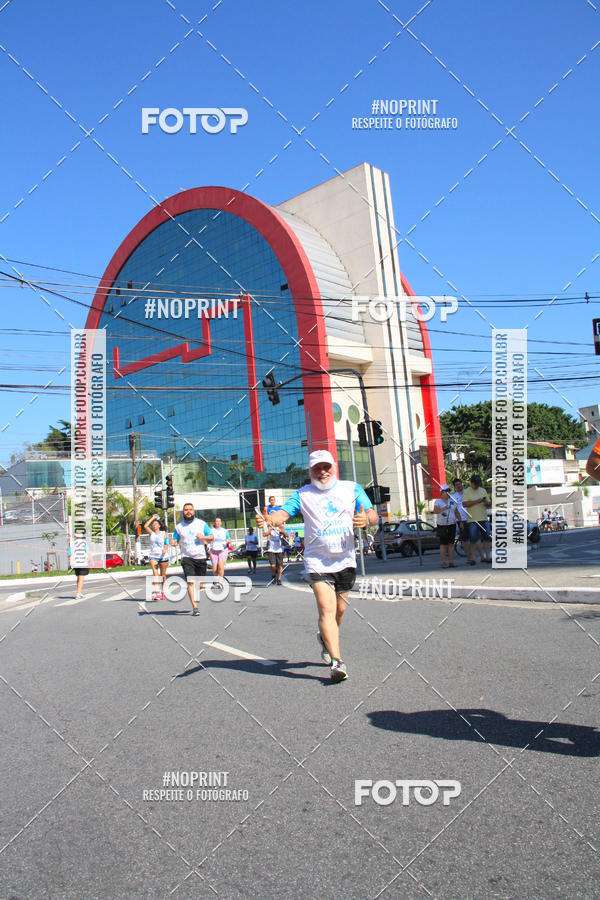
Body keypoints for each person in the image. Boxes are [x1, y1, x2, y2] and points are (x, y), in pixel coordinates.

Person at [257, 449, 378, 683]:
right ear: (310, 471)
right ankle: (337, 662)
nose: (322, 472)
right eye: (317, 468)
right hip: (317, 561)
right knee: (326, 607)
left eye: (326, 467)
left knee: (340, 610)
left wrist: (367, 519)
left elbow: (372, 514)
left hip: (345, 559)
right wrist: (269, 519)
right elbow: (282, 515)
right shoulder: (303, 494)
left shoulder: (351, 488)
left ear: (334, 467)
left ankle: (324, 638)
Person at [171, 503, 213, 616]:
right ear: (183, 512)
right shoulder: (179, 527)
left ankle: (197, 589)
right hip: (187, 557)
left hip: (200, 557)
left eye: (190, 509)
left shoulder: (201, 524)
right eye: (186, 510)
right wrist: (174, 542)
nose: (188, 511)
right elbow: (175, 539)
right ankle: (195, 607)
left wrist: (202, 537)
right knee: (190, 582)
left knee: (199, 584)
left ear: (194, 511)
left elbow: (211, 537)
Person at [461, 474, 492, 564]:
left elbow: (489, 503)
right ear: (471, 483)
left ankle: (488, 557)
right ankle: (473, 558)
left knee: (486, 538)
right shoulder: (467, 491)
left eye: (478, 484)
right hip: (472, 520)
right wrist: (477, 501)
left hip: (483, 518)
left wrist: (485, 502)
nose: (477, 486)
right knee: (473, 539)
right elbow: (464, 504)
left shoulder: (483, 490)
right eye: (475, 484)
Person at [144, 514, 170, 600]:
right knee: (155, 574)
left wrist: (165, 549)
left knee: (163, 576)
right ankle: (156, 593)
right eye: (153, 524)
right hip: (153, 557)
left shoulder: (163, 533)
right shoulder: (151, 533)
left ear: (159, 526)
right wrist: (152, 518)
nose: (154, 525)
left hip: (163, 557)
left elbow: (166, 543)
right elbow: (145, 526)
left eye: (156, 524)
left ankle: (163, 592)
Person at [434, 485, 457, 568]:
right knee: (443, 544)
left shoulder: (452, 501)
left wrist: (460, 521)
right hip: (442, 525)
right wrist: (444, 508)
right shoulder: (438, 501)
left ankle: (451, 561)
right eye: (446, 491)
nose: (448, 493)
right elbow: (435, 511)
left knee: (451, 543)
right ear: (442, 492)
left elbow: (456, 511)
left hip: (452, 523)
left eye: (449, 491)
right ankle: (444, 562)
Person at [67, 530, 88, 599]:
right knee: (81, 578)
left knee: (78, 577)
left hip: (75, 563)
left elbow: (69, 554)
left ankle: (79, 592)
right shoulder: (84, 543)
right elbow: (87, 552)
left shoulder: (72, 543)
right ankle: (78, 594)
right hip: (82, 562)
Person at [263, 519, 285, 585]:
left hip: (279, 549)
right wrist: (270, 530)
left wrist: (279, 530)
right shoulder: (270, 528)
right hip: (271, 549)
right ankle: (273, 576)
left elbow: (285, 534)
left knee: (280, 565)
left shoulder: (281, 527)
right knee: (273, 565)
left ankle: (279, 579)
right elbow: (265, 534)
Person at [451, 478, 468, 554]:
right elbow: (454, 510)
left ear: (462, 484)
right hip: (461, 519)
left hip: (471, 518)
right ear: (454, 487)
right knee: (464, 538)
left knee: (473, 537)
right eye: (456, 485)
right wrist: (460, 521)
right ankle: (468, 554)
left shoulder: (468, 492)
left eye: (459, 484)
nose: (458, 486)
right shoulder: (453, 496)